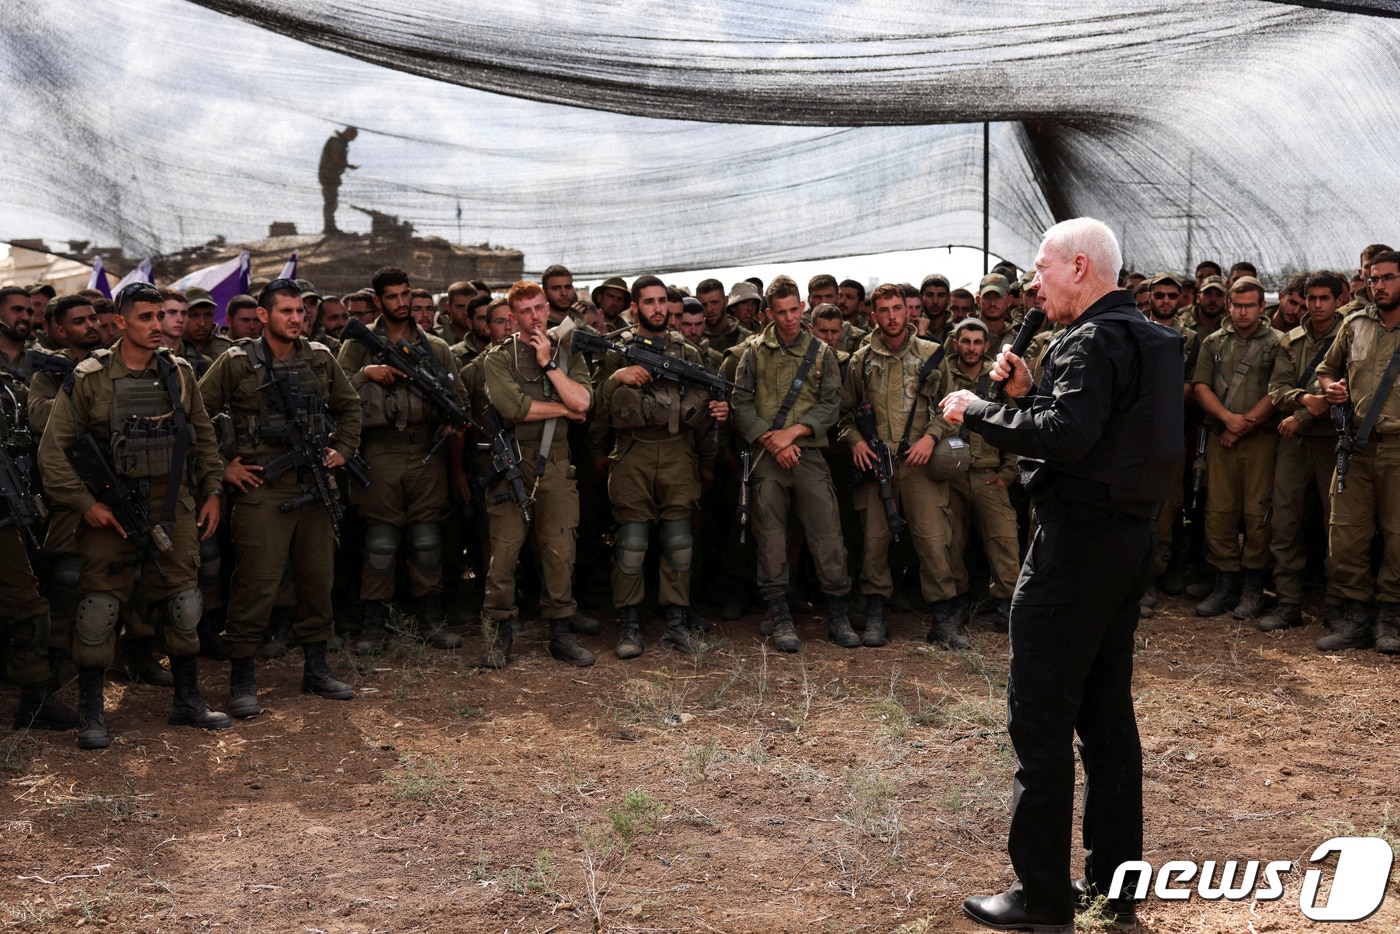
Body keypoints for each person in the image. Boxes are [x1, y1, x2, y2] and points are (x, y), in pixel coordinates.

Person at [941, 218, 1182, 933]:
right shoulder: (1146, 337)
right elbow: (1099, 428)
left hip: (1074, 547)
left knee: (1041, 718)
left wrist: (980, 410)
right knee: (1107, 719)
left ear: (1080, 266)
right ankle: (1114, 889)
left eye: (1041, 269)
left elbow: (1069, 438)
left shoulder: (1091, 338)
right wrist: (1032, 390)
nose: (1032, 284)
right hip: (1127, 540)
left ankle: (1042, 897)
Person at [37, 282, 230, 750]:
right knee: (100, 609)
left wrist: (212, 491)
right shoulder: (90, 377)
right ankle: (92, 714)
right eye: (145, 317)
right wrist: (89, 506)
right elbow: (53, 453)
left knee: (184, 603)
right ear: (120, 323)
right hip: (113, 509)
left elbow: (203, 438)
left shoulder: (180, 373)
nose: (157, 326)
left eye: (160, 316)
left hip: (172, 507)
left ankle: (187, 700)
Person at [197, 278, 362, 717]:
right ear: (264, 316)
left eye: (300, 312)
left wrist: (343, 449)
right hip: (262, 490)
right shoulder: (235, 362)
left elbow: (350, 407)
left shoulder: (322, 358)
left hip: (313, 487)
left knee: (317, 579)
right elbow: (195, 415)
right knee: (256, 584)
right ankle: (243, 679)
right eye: (286, 311)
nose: (296, 318)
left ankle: (316, 668)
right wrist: (222, 466)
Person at [591, 275, 728, 659]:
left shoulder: (688, 354)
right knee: (632, 544)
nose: (657, 308)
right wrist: (617, 379)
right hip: (632, 455)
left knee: (679, 544)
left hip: (678, 455)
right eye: (648, 301)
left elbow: (703, 417)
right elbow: (595, 412)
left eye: (662, 301)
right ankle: (630, 623)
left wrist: (707, 461)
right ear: (635, 307)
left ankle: (675, 623)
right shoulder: (617, 351)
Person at [337, 266, 467, 653]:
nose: (401, 303)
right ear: (378, 301)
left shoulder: (436, 347)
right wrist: (367, 373)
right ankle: (374, 624)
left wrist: (452, 421)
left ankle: (430, 619)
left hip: (425, 450)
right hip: (378, 450)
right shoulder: (358, 345)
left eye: (405, 294)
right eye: (391, 297)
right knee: (381, 539)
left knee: (427, 539)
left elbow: (457, 398)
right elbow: (336, 393)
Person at [731, 276, 852, 652]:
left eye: (794, 310)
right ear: (769, 313)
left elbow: (831, 405)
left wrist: (793, 433)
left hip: (809, 454)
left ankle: (838, 611)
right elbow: (740, 405)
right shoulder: (752, 352)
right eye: (780, 312)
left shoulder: (821, 353)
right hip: (769, 456)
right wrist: (773, 439)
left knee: (827, 533)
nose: (788, 319)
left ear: (803, 307)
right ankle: (779, 612)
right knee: (770, 537)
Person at [479, 281, 595, 667]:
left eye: (539, 308)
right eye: (525, 311)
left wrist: (548, 363)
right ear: (512, 317)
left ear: (547, 308)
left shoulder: (567, 352)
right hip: (512, 463)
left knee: (560, 551)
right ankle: (499, 635)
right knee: (504, 554)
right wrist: (563, 410)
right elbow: (515, 409)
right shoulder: (499, 358)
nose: (535, 317)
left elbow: (584, 401)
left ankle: (560, 634)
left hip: (557, 465)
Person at [838, 284, 959, 648]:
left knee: (933, 541)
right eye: (884, 310)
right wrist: (856, 441)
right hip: (878, 466)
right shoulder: (860, 361)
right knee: (874, 543)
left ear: (909, 312)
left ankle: (942, 619)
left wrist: (931, 437)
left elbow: (953, 408)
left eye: (898, 308)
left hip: (920, 465)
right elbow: (843, 415)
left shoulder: (932, 354)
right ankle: (877, 614)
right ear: (873, 315)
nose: (892, 316)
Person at [1315, 249, 1400, 653]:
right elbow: (1327, 369)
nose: (1378, 286)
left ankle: (1390, 618)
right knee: (1345, 537)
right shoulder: (1355, 324)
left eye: (1387, 278)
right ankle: (1355, 617)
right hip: (1357, 449)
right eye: (1373, 279)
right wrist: (1330, 388)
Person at [1260, 271, 1346, 632]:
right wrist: (1304, 401)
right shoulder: (1292, 341)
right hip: (1294, 444)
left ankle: (1339, 604)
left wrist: (1301, 414)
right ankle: (1288, 600)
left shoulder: (1352, 334)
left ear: (1339, 299)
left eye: (1324, 298)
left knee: (1338, 526)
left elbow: (1346, 392)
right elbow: (1276, 388)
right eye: (1311, 298)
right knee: (1285, 520)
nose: (1316, 305)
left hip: (1334, 442)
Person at [1190, 277, 1281, 619]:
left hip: (1260, 441)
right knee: (1219, 511)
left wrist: (1244, 425)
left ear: (1262, 307)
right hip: (1222, 438)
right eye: (1237, 305)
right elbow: (1201, 386)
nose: (1243, 311)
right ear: (1229, 306)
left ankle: (1254, 588)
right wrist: (1228, 419)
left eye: (1249, 305)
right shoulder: (1213, 342)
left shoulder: (1277, 343)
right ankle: (1225, 583)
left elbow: (1278, 390)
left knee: (1258, 514)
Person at [319, 126, 359, 234]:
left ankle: (330, 226)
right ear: (347, 132)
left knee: (332, 201)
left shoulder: (339, 141)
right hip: (329, 175)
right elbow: (336, 158)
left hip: (331, 175)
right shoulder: (337, 141)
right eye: (352, 136)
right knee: (331, 201)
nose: (351, 139)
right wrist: (347, 165)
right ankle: (329, 228)